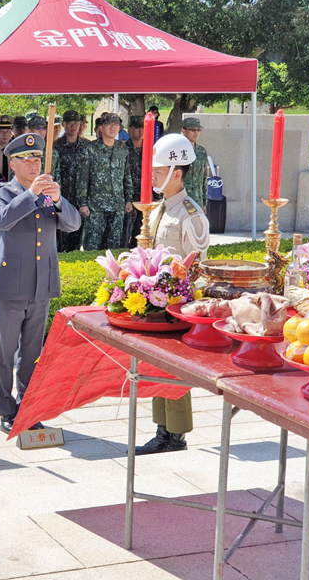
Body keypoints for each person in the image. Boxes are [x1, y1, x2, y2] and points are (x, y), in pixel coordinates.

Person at [0, 133, 81, 433]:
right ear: (12, 163)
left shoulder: (50, 193)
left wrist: (57, 199)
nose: (33, 164)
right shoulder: (0, 192)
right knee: (4, 352)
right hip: (12, 284)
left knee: (32, 352)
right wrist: (31, 195)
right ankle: (5, 408)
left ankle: (28, 405)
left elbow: (73, 223)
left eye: (37, 159)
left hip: (42, 283)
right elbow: (1, 220)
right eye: (26, 159)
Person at [136, 133, 209, 456]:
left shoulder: (191, 216)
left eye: (158, 169)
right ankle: (162, 429)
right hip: (155, 303)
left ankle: (176, 435)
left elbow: (197, 270)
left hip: (178, 306)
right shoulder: (159, 210)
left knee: (174, 370)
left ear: (177, 172)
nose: (152, 175)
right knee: (156, 367)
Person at [77, 113, 133, 251]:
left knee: (113, 249)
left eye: (116, 125)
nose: (113, 128)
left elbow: (127, 175)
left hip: (117, 206)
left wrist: (129, 199)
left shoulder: (122, 149)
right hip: (96, 207)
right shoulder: (90, 149)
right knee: (92, 248)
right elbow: (83, 178)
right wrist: (83, 203)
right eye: (109, 125)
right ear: (101, 128)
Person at [51, 110, 86, 252]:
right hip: (62, 197)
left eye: (76, 123)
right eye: (69, 123)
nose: (73, 126)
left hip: (81, 198)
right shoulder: (56, 146)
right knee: (61, 237)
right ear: (64, 124)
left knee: (78, 238)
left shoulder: (87, 146)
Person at [123, 116, 145, 248]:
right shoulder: (123, 149)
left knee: (142, 234)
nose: (140, 131)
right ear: (130, 129)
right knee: (126, 234)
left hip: (145, 198)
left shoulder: (151, 149)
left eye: (143, 128)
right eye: (137, 127)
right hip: (129, 199)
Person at [180, 118, 209, 211]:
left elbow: (203, 177)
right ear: (183, 130)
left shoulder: (201, 152)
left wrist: (204, 202)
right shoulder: (178, 150)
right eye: (192, 130)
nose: (196, 133)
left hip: (198, 200)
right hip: (182, 200)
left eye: (198, 130)